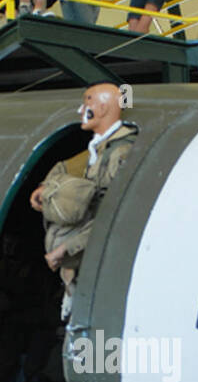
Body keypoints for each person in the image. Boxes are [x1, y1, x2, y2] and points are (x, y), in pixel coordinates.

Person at [30, 82, 138, 316]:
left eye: (87, 102)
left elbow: (113, 215)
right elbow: (68, 167)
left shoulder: (119, 153)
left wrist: (65, 249)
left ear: (104, 107)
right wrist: (44, 188)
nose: (80, 110)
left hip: (94, 266)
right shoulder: (98, 149)